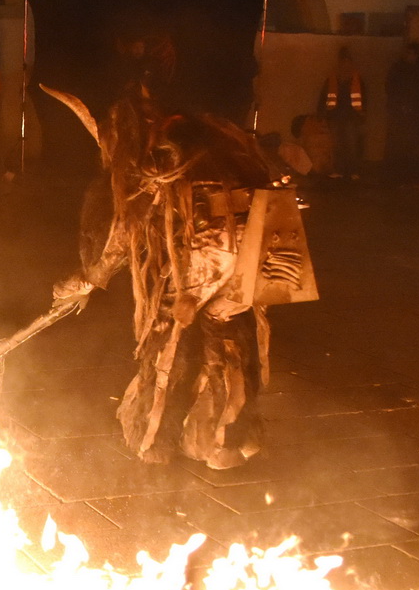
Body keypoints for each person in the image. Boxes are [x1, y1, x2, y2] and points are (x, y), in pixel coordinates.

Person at [47, 76, 310, 469]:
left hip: (208, 243)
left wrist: (85, 279)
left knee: (168, 334)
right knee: (227, 333)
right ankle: (228, 441)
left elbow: (120, 232)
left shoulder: (149, 156)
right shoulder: (210, 136)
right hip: (267, 237)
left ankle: (156, 440)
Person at [383, 41, 419, 181]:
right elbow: (390, 89)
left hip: (414, 114)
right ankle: (396, 174)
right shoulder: (398, 68)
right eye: (408, 53)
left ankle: (409, 175)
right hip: (399, 114)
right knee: (397, 144)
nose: (409, 56)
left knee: (412, 144)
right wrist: (399, 106)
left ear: (417, 55)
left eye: (412, 54)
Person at [318, 46, 365, 178]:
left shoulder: (351, 78)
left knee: (351, 144)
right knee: (337, 144)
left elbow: (324, 96)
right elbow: (324, 96)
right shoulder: (338, 78)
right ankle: (340, 170)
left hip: (349, 116)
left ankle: (351, 170)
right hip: (337, 116)